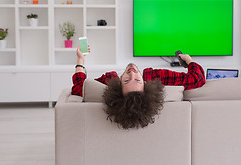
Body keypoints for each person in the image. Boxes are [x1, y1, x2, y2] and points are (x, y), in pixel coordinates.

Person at [71, 46, 205, 129]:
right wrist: (189, 60)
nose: (132, 72)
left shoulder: (109, 81)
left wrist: (80, 60)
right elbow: (196, 79)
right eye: (138, 80)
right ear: (146, 84)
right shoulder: (157, 78)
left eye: (127, 80)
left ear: (118, 86)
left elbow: (80, 88)